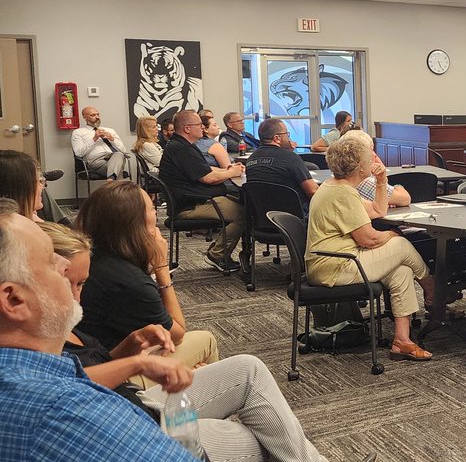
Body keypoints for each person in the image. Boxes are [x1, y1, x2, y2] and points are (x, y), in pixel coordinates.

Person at [42, 222, 348, 462]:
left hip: (138, 402)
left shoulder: (64, 323)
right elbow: (68, 385)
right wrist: (136, 361)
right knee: (262, 436)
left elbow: (93, 366)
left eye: (81, 283)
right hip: (135, 427)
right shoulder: (37, 335)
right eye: (68, 282)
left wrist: (131, 344)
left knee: (249, 368)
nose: (76, 295)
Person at [0, 198, 197, 461]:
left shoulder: (36, 371)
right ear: (14, 300)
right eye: (50, 261)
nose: (63, 266)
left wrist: (134, 362)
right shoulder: (66, 412)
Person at [307, 136, 438, 361]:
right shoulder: (343, 193)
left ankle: (401, 341)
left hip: (342, 260)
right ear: (359, 167)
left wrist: (381, 180)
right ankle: (431, 287)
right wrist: (393, 234)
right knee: (400, 243)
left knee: (401, 270)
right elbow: (369, 240)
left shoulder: (336, 186)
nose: (374, 160)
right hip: (334, 266)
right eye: (370, 157)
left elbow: (378, 209)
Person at [76, 181, 219, 377]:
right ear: (137, 222)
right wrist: (161, 268)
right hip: (116, 376)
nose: (156, 214)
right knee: (207, 340)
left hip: (94, 358)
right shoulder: (130, 281)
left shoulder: (91, 256)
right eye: (152, 209)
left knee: (192, 357)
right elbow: (177, 333)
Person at [159, 110, 245, 272]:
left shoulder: (181, 145)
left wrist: (227, 169)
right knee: (244, 213)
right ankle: (217, 254)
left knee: (240, 203)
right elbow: (207, 178)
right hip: (189, 206)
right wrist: (231, 173)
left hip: (191, 199)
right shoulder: (182, 149)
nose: (203, 128)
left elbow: (204, 169)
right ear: (187, 129)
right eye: (199, 125)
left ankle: (218, 250)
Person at [245, 118, 318, 201]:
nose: (289, 138)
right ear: (277, 138)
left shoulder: (251, 160)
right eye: (287, 134)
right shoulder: (291, 158)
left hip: (260, 212)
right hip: (294, 212)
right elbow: (312, 191)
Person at [340, 130, 413, 208]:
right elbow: (405, 199)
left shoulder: (339, 176)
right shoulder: (364, 180)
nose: (374, 155)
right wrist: (398, 187)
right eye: (371, 150)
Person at [71, 106, 130, 180]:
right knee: (118, 168)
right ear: (85, 117)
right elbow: (79, 153)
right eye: (93, 115)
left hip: (114, 158)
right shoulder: (78, 132)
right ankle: (112, 180)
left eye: (98, 114)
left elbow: (123, 151)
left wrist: (112, 139)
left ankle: (110, 180)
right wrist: (94, 139)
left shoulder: (110, 130)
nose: (97, 117)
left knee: (119, 154)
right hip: (96, 162)